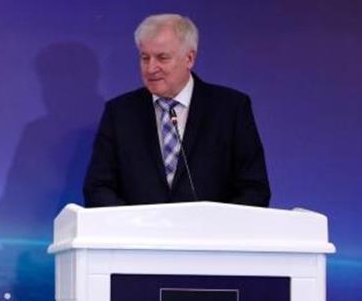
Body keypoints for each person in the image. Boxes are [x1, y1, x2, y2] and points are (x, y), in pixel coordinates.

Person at [82, 14, 270, 207]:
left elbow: (254, 188)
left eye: (162, 58)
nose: (151, 68)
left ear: (189, 58)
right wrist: (134, 226)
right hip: (137, 235)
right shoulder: (120, 113)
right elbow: (98, 187)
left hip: (210, 234)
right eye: (145, 58)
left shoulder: (230, 109)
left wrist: (216, 227)